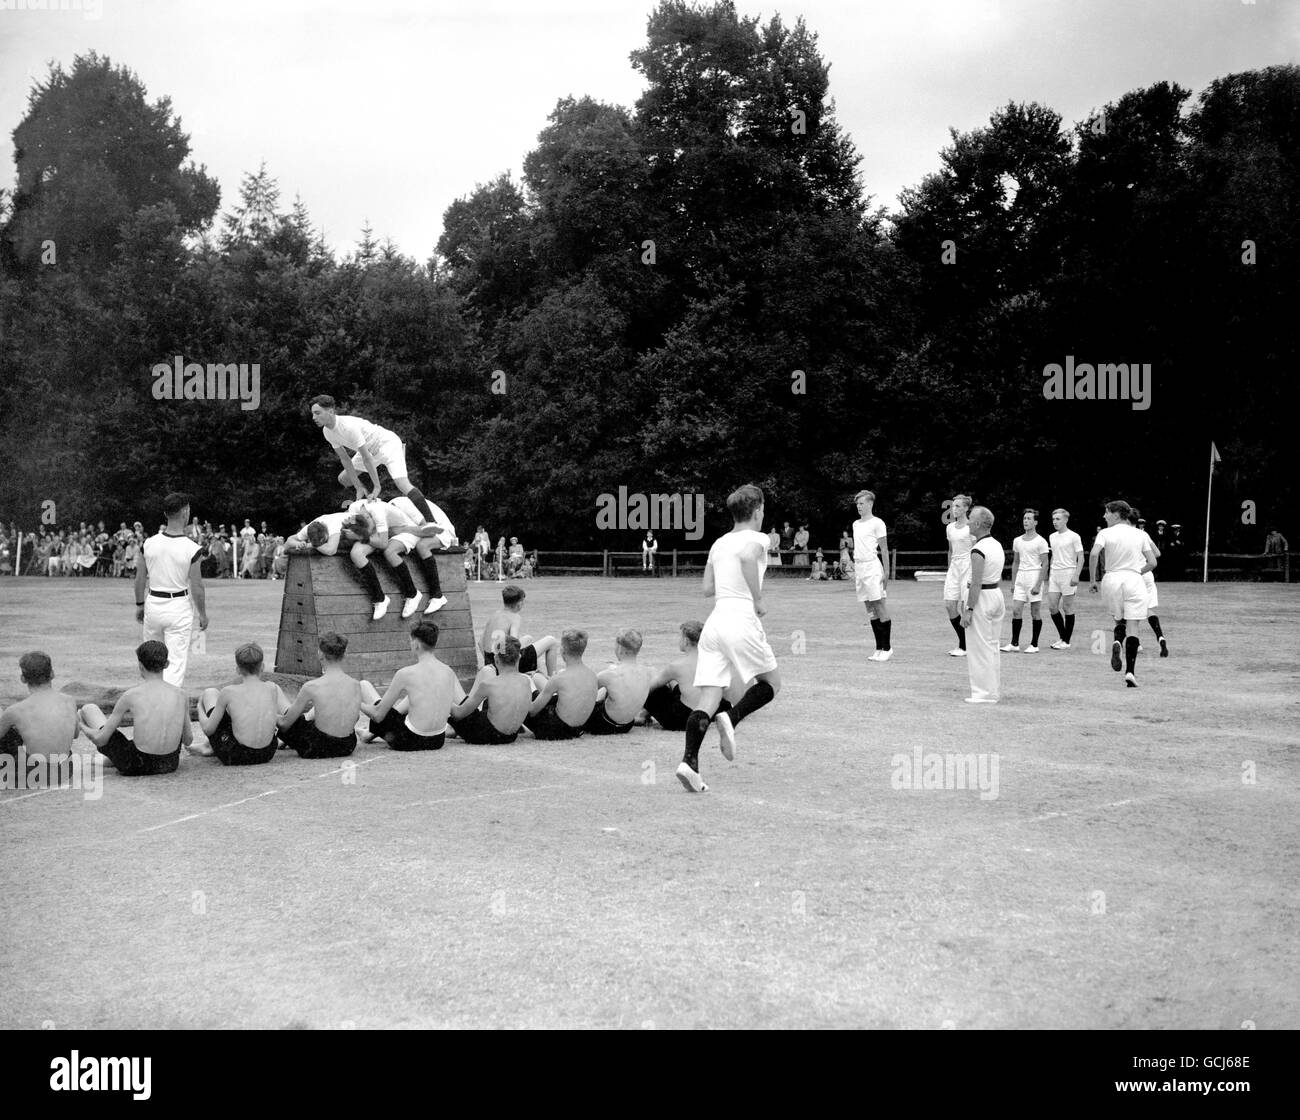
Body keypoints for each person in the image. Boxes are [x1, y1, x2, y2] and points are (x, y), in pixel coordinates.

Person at [677, 484, 781, 793]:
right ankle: (732, 718)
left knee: (707, 698)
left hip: (714, 623)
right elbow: (749, 558)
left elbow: (707, 588)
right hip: (740, 619)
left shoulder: (719, 543)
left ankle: (689, 763)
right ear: (758, 511)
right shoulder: (759, 538)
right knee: (771, 684)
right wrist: (758, 598)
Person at [309, 394, 438, 523]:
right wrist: (358, 487)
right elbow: (345, 459)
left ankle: (432, 522)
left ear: (330, 411)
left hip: (386, 444)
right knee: (344, 478)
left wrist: (377, 486)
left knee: (402, 484)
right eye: (313, 414)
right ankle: (370, 504)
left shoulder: (348, 426)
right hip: (367, 450)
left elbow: (367, 459)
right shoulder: (327, 432)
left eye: (317, 413)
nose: (314, 417)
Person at [78, 641, 193, 774]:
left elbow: (101, 739)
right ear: (166, 664)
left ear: (140, 665)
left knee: (89, 709)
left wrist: (82, 725)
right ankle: (112, 759)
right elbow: (188, 740)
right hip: (170, 763)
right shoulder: (181, 694)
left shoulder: (131, 695)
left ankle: (113, 759)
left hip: (137, 765)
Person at [136, 492, 208, 688]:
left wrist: (140, 605)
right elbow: (197, 587)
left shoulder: (149, 543)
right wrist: (202, 614)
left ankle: (150, 699)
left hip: (153, 603)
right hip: (178, 606)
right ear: (185, 512)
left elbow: (140, 578)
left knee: (151, 658)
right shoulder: (191, 548)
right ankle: (169, 705)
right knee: (175, 661)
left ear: (165, 513)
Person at [1089, 500, 1158, 688]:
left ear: (1117, 514)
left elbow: (1094, 554)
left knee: (1119, 621)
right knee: (1133, 626)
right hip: (1134, 580)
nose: (1104, 516)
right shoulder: (1139, 534)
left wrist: (1093, 580)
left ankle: (1118, 641)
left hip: (1111, 579)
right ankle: (1130, 672)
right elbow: (1153, 562)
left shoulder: (1104, 533)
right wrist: (1137, 572)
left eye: (1107, 512)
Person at [344, 498, 449, 619]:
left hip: (400, 530)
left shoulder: (379, 513)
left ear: (369, 517)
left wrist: (362, 536)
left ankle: (412, 593)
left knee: (389, 551)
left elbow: (383, 543)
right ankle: (380, 599)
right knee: (356, 554)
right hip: (385, 531)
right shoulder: (353, 510)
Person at [361, 622, 458, 751]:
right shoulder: (449, 671)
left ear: (416, 644)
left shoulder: (405, 673)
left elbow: (378, 715)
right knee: (416, 696)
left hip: (410, 740)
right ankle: (368, 733)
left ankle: (368, 733)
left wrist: (356, 702)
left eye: (411, 640)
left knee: (363, 686)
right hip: (437, 740)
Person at [197, 644, 288, 765]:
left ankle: (208, 747)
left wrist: (199, 709)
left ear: (238, 669)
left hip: (237, 755)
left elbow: (208, 730)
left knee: (210, 693)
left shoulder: (229, 692)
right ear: (262, 667)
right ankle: (208, 746)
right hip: (267, 753)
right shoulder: (273, 688)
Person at [277, 633, 363, 758]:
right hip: (347, 745)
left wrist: (270, 715)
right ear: (345, 654)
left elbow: (285, 724)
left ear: (320, 654)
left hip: (319, 747)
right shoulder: (356, 685)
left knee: (288, 714)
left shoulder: (312, 686)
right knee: (312, 717)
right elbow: (355, 718)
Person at [0, 652, 79, 783]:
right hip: (65, 770)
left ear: (23, 678)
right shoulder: (69, 701)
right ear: (52, 674)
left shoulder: (16, 710)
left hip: (34, 774)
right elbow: (75, 734)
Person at [642, 621, 734, 731]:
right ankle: (643, 714)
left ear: (686, 641)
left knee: (652, 689)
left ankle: (641, 715)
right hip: (710, 711)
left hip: (683, 718)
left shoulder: (676, 666)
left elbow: (650, 688)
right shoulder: (716, 661)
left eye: (680, 637)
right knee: (675, 683)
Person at [959, 507, 1006, 703]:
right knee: (992, 646)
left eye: (970, 519)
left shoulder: (979, 549)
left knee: (979, 648)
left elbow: (976, 582)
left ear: (978, 524)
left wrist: (969, 609)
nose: (968, 522)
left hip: (983, 598)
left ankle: (982, 693)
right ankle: (992, 690)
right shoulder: (996, 544)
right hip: (996, 595)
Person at [449, 636, 532, 744]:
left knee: (450, 675)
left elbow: (458, 714)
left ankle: (448, 728)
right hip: (510, 736)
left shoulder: (489, 685)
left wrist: (445, 701)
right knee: (486, 673)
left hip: (486, 735)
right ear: (519, 658)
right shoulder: (526, 681)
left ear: (496, 660)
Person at [525, 629, 598, 739]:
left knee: (525, 681)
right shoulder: (592, 675)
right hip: (578, 729)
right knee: (537, 677)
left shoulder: (559, 679)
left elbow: (533, 711)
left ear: (562, 651)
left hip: (556, 730)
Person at [583, 629, 653, 735]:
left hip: (604, 724)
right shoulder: (647, 672)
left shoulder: (610, 674)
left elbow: (583, 693)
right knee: (610, 688)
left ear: (620, 649)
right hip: (626, 725)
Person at [480, 585, 559, 675]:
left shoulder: (494, 615)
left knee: (528, 638)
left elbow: (480, 643)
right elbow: (513, 647)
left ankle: (538, 670)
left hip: (492, 663)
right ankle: (552, 677)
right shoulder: (515, 617)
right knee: (551, 641)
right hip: (506, 665)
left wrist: (492, 662)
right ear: (519, 603)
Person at [853, 490, 892, 661]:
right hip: (859, 568)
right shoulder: (855, 524)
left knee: (879, 605)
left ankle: (887, 648)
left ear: (870, 504)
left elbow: (883, 548)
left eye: (861, 503)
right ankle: (878, 648)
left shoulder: (878, 523)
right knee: (869, 608)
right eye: (857, 504)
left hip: (872, 567)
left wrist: (887, 571)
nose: (859, 507)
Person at [1002, 509, 1049, 654]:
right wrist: (1013, 582)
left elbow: (1045, 564)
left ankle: (1034, 644)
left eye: (1029, 518)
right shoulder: (1017, 540)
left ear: (1035, 522)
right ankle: (1014, 643)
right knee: (1016, 611)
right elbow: (1015, 562)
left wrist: (1038, 584)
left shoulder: (1041, 541)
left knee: (1035, 612)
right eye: (1024, 518)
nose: (1026, 521)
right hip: (1021, 578)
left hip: (1034, 577)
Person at [1128, 507, 1169, 658]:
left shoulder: (1124, 535)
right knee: (1148, 609)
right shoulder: (1144, 534)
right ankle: (1160, 637)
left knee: (1131, 610)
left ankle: (1136, 644)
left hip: (1133, 575)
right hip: (1147, 574)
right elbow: (1157, 553)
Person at [1045, 508, 1085, 649]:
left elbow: (1081, 557)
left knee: (1067, 607)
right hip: (1055, 575)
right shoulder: (1052, 536)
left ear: (1066, 520)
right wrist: (1050, 574)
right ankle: (1063, 637)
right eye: (1053, 519)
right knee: (1052, 607)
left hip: (1069, 573)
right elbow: (1054, 556)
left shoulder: (1074, 536)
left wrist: (1076, 575)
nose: (1055, 522)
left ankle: (1066, 641)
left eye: (1058, 519)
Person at [943, 494, 974, 657]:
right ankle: (964, 642)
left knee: (965, 607)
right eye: (953, 506)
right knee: (949, 605)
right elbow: (950, 550)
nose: (954, 509)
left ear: (966, 508)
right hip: (954, 568)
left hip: (968, 567)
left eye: (957, 506)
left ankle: (966, 645)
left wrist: (975, 574)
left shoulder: (972, 527)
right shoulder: (949, 528)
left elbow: (977, 550)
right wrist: (950, 569)